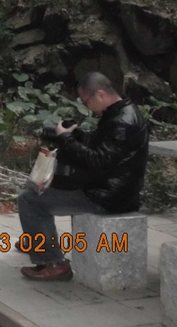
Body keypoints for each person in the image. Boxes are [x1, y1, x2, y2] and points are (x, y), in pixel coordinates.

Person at [17, 71, 150, 282]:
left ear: (100, 94)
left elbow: (97, 161)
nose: (87, 107)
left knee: (29, 200)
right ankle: (38, 240)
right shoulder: (121, 112)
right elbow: (102, 148)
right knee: (39, 188)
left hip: (108, 197)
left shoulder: (122, 122)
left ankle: (54, 263)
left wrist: (67, 139)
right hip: (108, 188)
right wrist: (75, 136)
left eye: (86, 101)